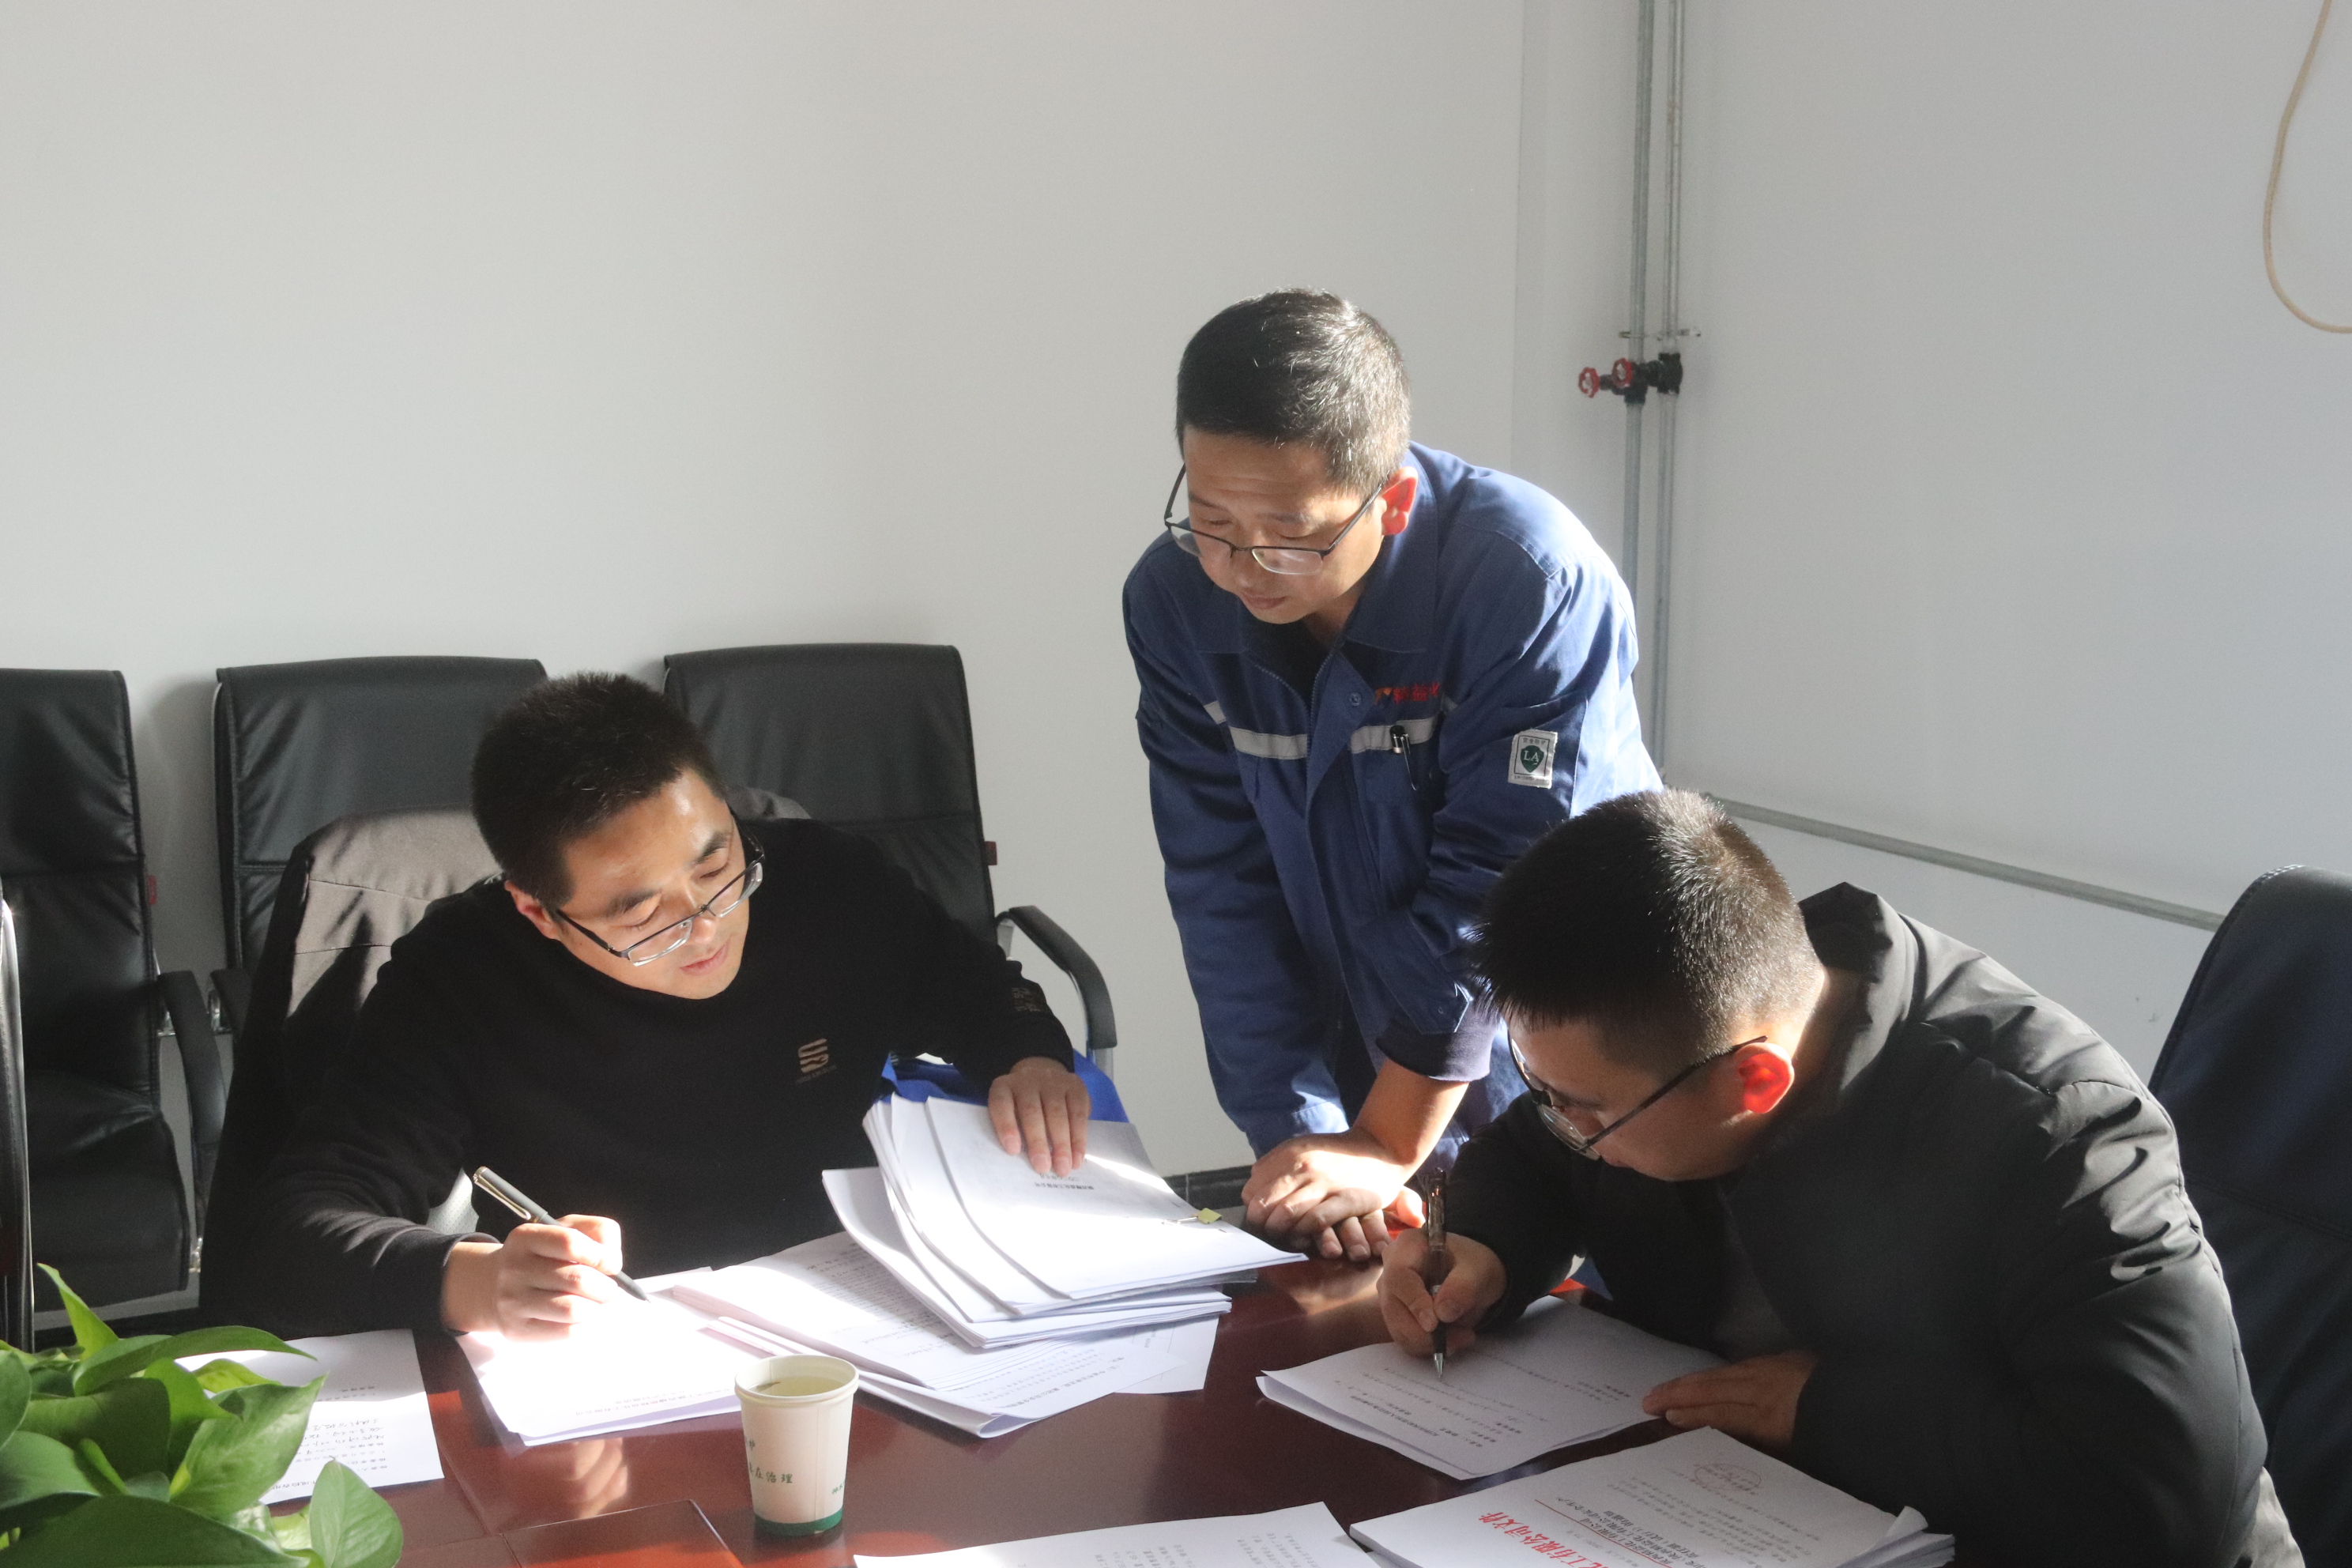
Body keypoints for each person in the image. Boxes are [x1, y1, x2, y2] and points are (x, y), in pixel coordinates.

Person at [1380, 790, 2299, 1567]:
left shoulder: (2058, 1134)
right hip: (1756, 1511)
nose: (1562, 1127)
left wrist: (1827, 1412)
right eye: (1539, 1087)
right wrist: (1484, 1246)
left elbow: (2162, 1495)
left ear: (1754, 1082)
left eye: (1581, 1110)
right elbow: (1538, 1157)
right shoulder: (1679, 1031)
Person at [247, 673, 1091, 1340]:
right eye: (642, 913)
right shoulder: (460, 977)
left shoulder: (829, 883)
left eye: (716, 865)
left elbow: (978, 989)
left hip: (860, 1311)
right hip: (620, 1340)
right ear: (539, 910)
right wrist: (469, 1279)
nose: (706, 926)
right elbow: (295, 1232)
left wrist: (1029, 1054)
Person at [1124, 289, 1657, 1263]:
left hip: (1580, 1051)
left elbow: (1502, 888)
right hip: (1375, 1054)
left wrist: (1387, 1139)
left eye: (1289, 532)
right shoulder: (1174, 604)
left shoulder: (1523, 580)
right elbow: (1220, 890)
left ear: (1393, 502)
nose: (1242, 566)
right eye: (1209, 519)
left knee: (1598, 1305)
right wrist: (1297, 1134)